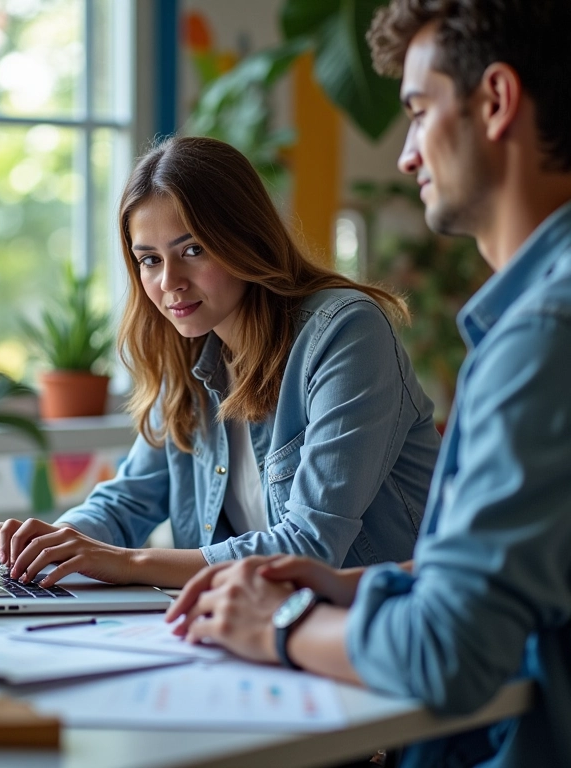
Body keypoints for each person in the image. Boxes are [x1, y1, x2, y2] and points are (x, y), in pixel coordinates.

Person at [167, 2, 571, 766]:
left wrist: (279, 624)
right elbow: (527, 566)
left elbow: (448, 654)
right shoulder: (533, 321)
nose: (407, 156)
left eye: (418, 113)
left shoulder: (543, 334)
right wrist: (355, 585)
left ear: (495, 102)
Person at [0, 135, 440, 590]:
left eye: (193, 250)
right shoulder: (188, 354)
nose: (170, 282)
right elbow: (127, 501)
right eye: (149, 260)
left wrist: (129, 562)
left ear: (245, 237)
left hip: (379, 626)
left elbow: (309, 545)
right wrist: (53, 542)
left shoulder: (344, 332)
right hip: (250, 628)